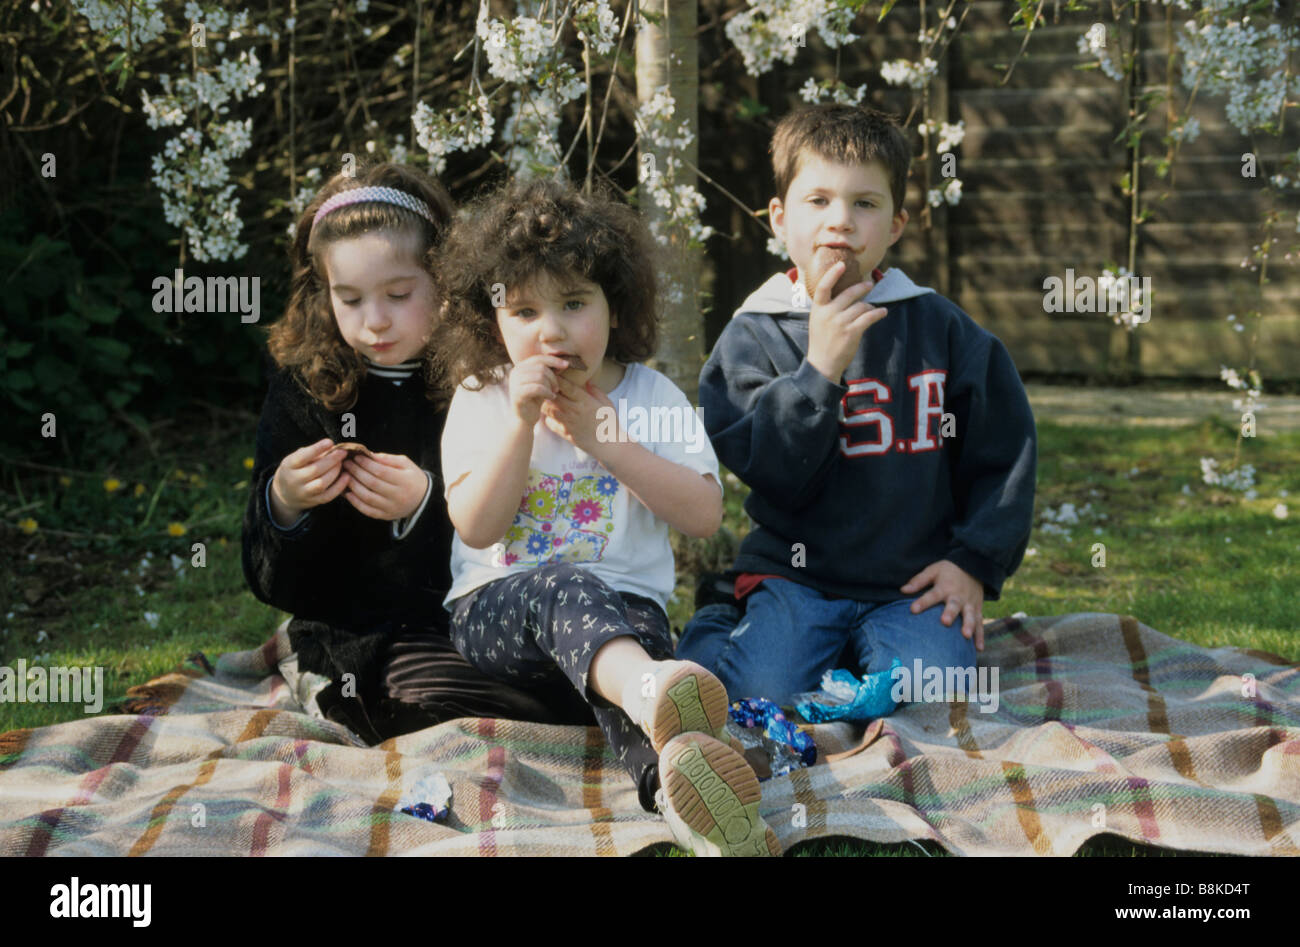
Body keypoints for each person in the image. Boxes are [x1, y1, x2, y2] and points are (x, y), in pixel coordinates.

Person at [430, 177, 780, 856]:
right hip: (499, 609)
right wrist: (521, 426)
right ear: (493, 321)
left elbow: (703, 514)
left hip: (626, 616)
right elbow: (477, 527)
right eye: (523, 310)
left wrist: (608, 441)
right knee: (570, 592)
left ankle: (684, 801)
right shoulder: (484, 398)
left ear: (614, 306)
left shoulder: (651, 396)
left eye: (573, 303)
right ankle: (649, 690)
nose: (551, 330)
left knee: (634, 673)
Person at [677, 103, 1037, 707]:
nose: (840, 221)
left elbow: (1004, 449)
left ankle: (853, 656)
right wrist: (819, 371)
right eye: (818, 200)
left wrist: (973, 562)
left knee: (937, 689)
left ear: (895, 225)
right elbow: (773, 470)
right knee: (758, 693)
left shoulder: (940, 328)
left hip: (910, 581)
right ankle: (724, 616)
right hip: (796, 576)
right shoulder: (755, 333)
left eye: (864, 203)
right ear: (779, 218)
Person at [242, 161, 565, 745]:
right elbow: (277, 585)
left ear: (443, 278)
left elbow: (527, 526)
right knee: (418, 696)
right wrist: (283, 503)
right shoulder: (303, 392)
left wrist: (428, 503)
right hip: (365, 635)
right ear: (323, 294)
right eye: (349, 299)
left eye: (398, 294)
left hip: (482, 616)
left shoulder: (483, 380)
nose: (375, 321)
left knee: (563, 678)